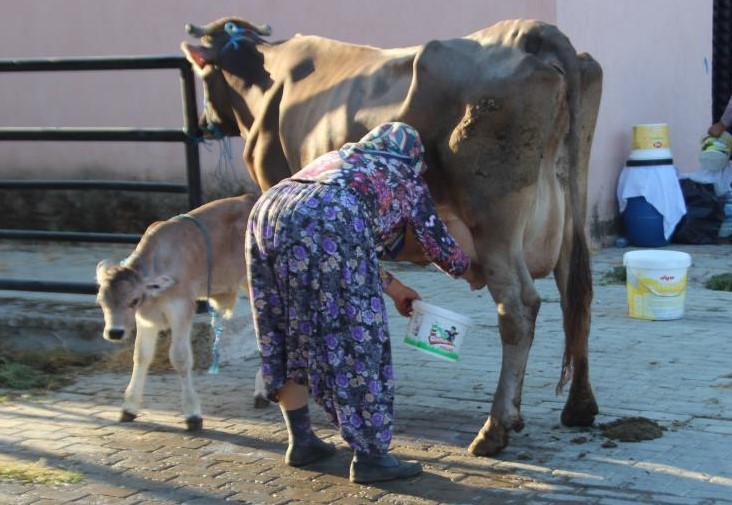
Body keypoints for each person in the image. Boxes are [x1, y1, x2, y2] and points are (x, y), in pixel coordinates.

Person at [245, 122, 486, 484]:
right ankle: (371, 456)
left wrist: (396, 288)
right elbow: (438, 245)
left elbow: (337, 248)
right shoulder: (403, 173)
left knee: (286, 328)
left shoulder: (339, 159)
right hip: (330, 218)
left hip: (268, 212)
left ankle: (302, 441)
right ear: (415, 158)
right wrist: (474, 274)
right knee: (359, 341)